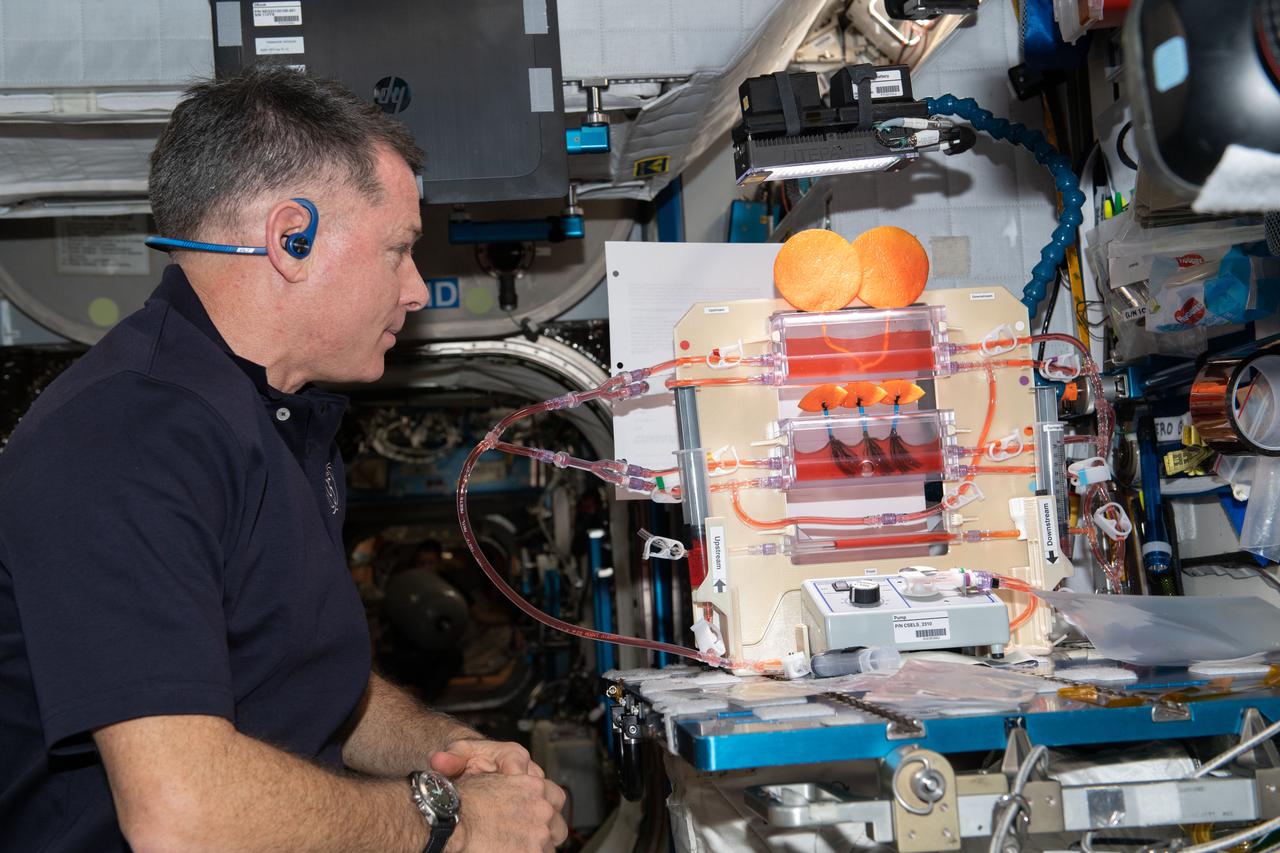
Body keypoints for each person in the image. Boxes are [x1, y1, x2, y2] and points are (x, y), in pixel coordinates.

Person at [0, 66, 567, 852]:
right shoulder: (129, 431)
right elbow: (182, 813)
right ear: (290, 238)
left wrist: (443, 749)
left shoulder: (268, 421)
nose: (415, 288)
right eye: (399, 249)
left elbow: (291, 672)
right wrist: (448, 818)